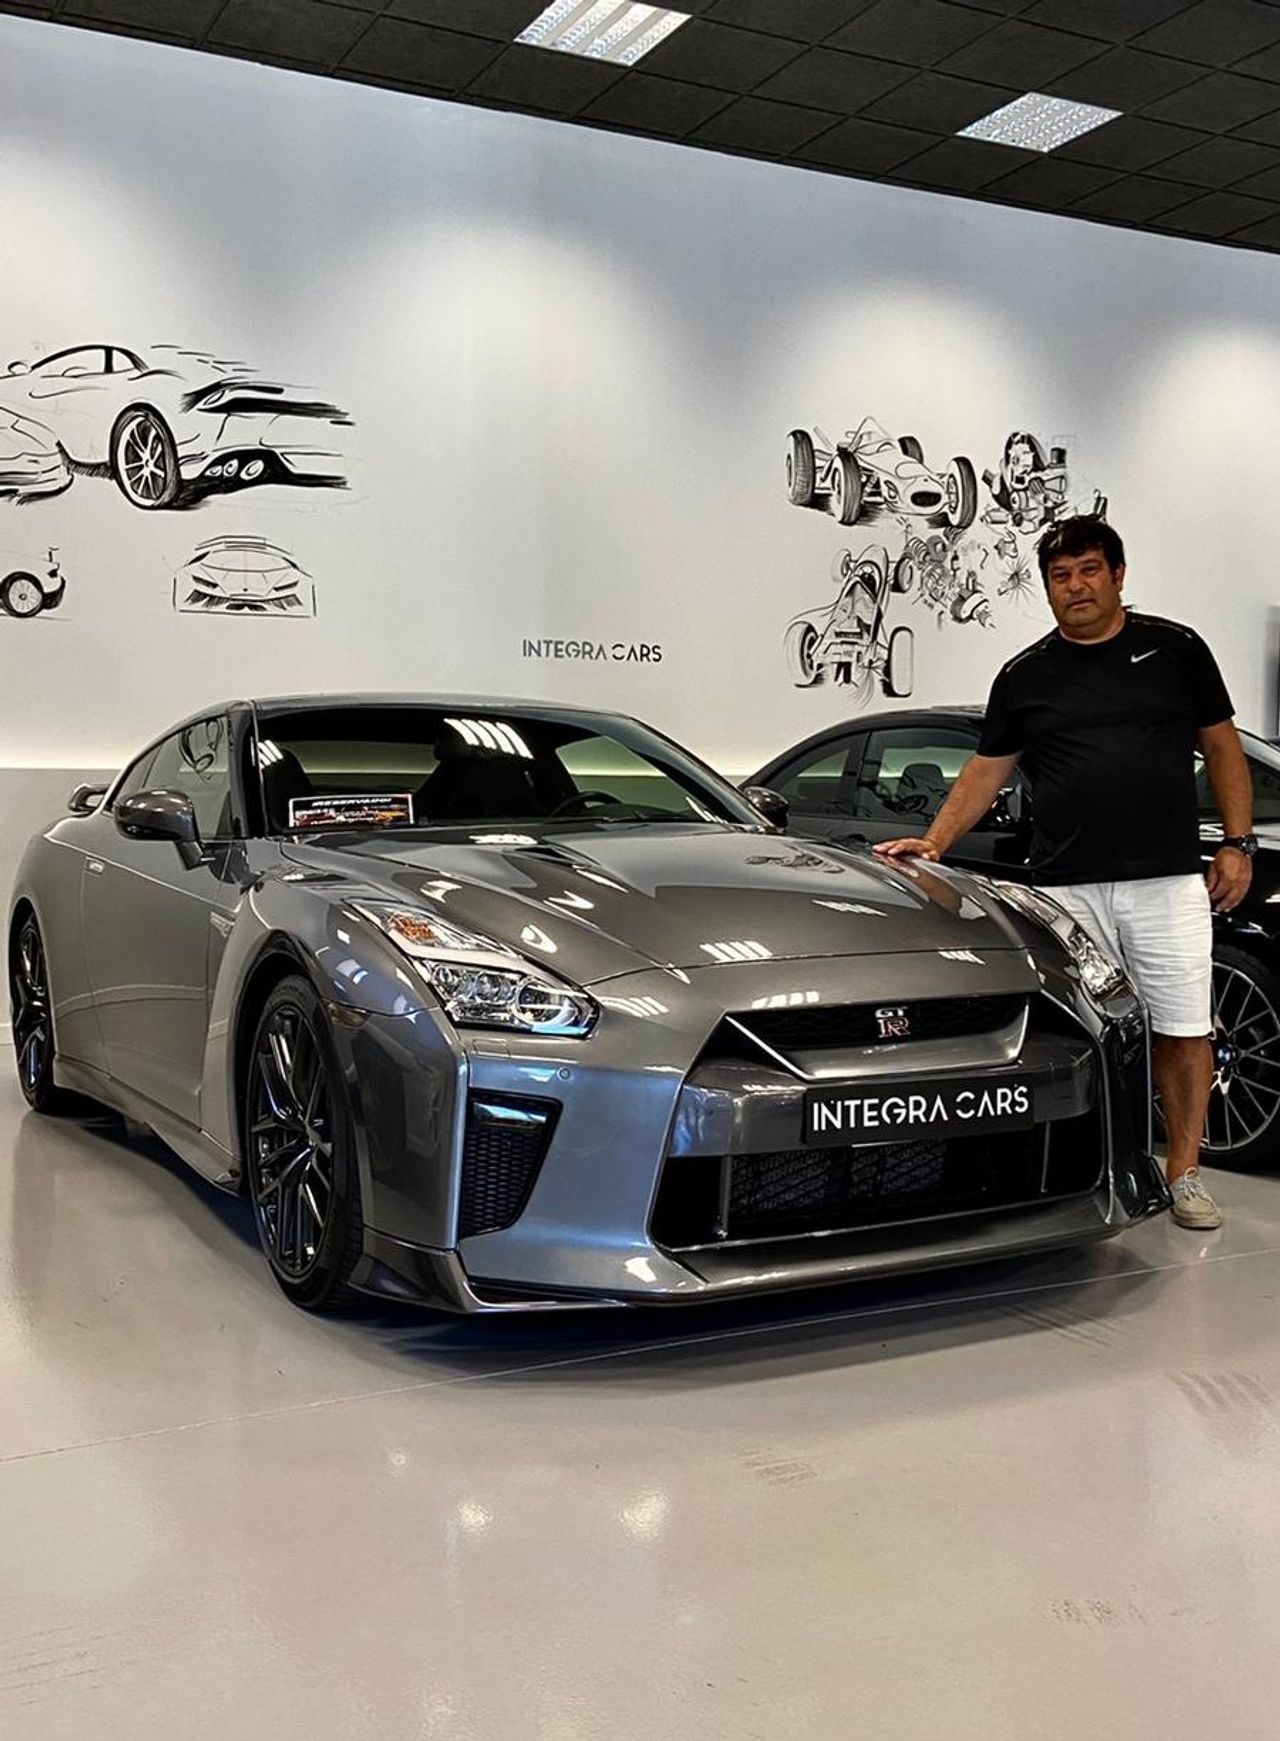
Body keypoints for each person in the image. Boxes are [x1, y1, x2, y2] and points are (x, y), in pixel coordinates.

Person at [874, 515, 1254, 1230]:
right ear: (1047, 588)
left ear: (1118, 575)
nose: (1075, 586)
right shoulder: (1024, 676)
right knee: (1077, 1035)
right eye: (1060, 576)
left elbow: (1223, 747)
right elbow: (986, 771)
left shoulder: (1176, 651)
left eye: (1088, 570)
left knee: (1182, 1029)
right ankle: (1087, 1171)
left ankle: (1184, 1173)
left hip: (1165, 881)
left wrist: (1238, 843)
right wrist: (934, 841)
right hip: (1064, 890)